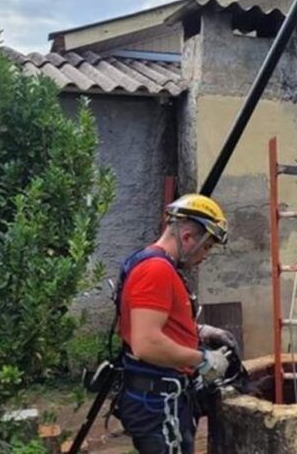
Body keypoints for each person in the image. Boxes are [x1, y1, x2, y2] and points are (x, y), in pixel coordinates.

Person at [115, 194, 238, 453]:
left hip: (162, 397)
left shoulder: (155, 264)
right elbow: (146, 344)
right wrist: (202, 360)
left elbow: (157, 324)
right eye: (206, 247)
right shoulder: (156, 271)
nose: (205, 255)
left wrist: (199, 332)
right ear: (187, 238)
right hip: (157, 401)